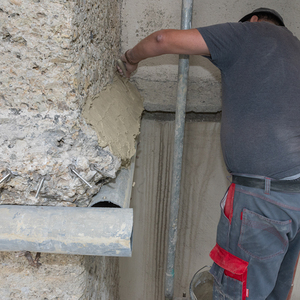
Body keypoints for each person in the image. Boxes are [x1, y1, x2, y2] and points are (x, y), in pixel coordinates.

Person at [117, 7, 300, 300]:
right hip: (295, 197)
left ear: (252, 21)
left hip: (263, 198)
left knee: (236, 292)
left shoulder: (248, 34)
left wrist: (129, 59)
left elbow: (163, 39)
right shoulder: (295, 50)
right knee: (276, 291)